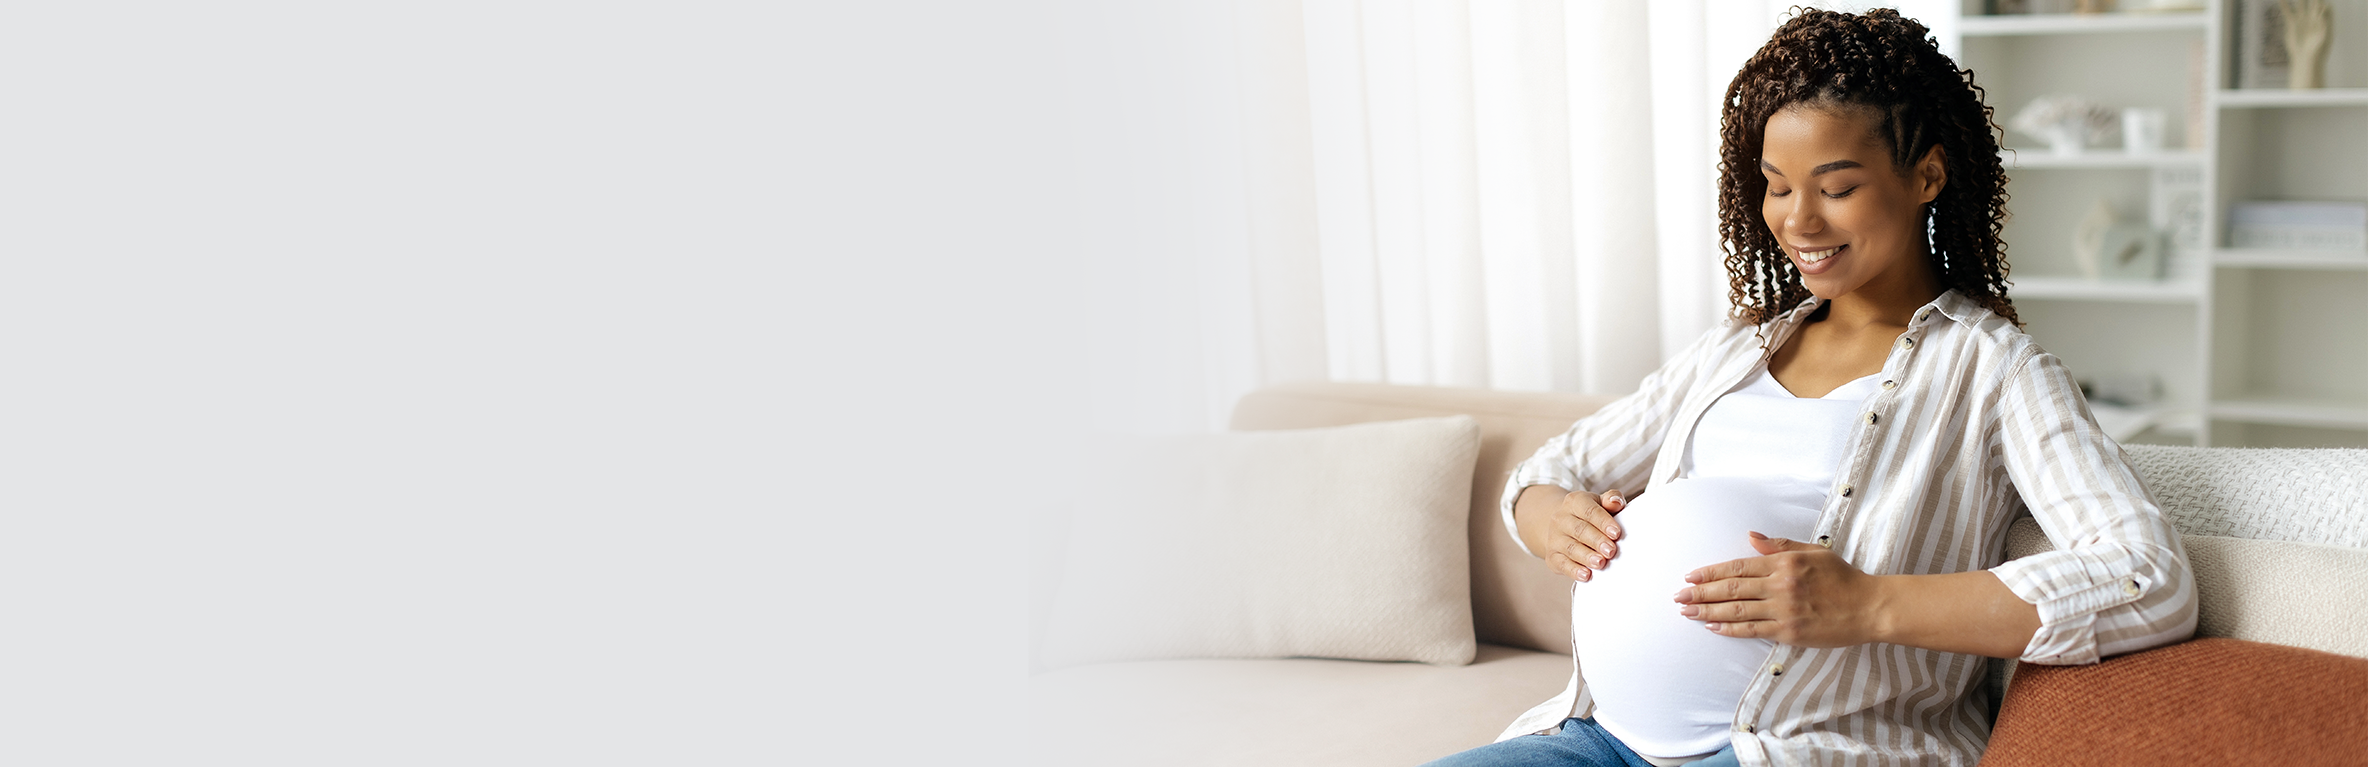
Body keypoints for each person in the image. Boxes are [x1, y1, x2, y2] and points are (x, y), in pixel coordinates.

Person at [1421, 9, 2196, 767]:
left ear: (1927, 173)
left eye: (1837, 186)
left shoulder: (1995, 370)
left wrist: (1869, 603)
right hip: (1599, 735)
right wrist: (1556, 516)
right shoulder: (1736, 349)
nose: (1799, 222)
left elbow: (2149, 578)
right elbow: (1543, 475)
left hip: (1804, 746)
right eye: (1777, 186)